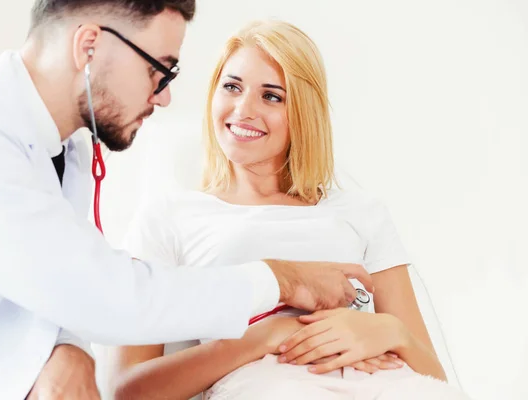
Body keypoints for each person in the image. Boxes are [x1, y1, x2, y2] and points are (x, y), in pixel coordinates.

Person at [0, 2, 374, 399]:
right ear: (88, 47)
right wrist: (279, 281)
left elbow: (51, 279)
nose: (164, 96)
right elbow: (110, 296)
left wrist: (68, 348)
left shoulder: (68, 152)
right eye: (157, 69)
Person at [109, 20, 471, 400]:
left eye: (272, 96)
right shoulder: (170, 217)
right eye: (232, 87)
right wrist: (264, 337)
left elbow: (435, 381)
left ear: (303, 112)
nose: (244, 109)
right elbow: (127, 390)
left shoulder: (361, 212)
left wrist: (388, 332)